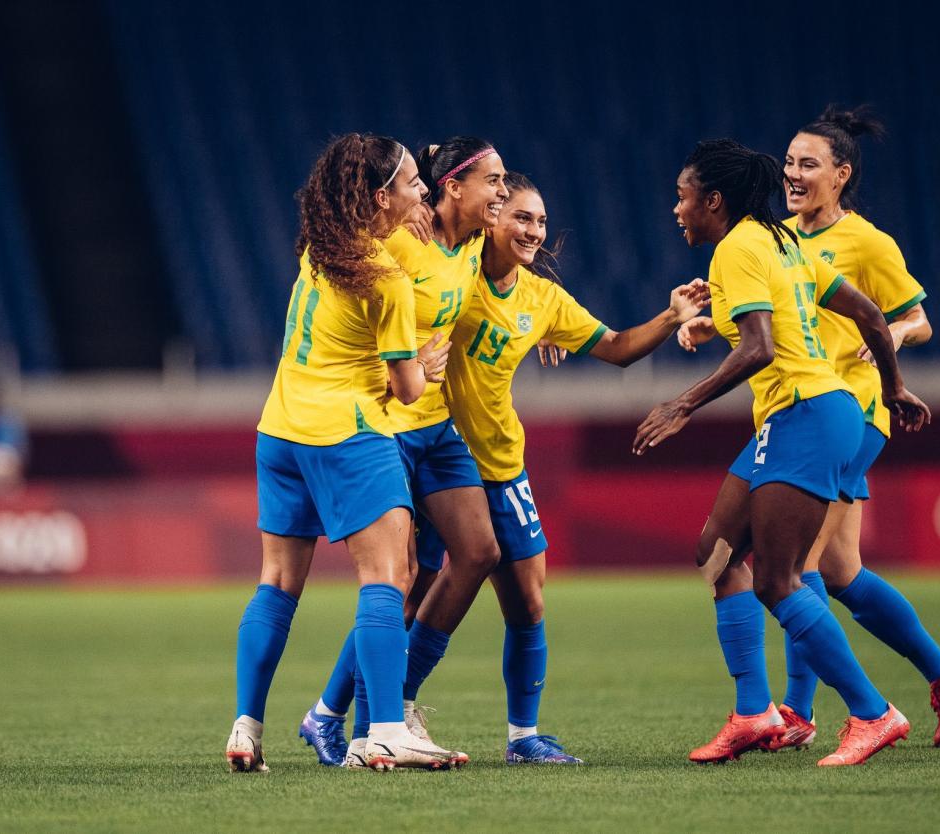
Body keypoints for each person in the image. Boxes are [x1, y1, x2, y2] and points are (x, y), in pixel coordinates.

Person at [678, 107, 940, 751]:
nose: (792, 174)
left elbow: (913, 318)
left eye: (808, 164)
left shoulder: (866, 242)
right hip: (804, 410)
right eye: (788, 162)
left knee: (793, 565)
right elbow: (769, 316)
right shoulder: (777, 237)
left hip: (852, 405)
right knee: (840, 571)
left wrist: (894, 347)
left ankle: (799, 709)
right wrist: (716, 322)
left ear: (841, 176)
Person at [634, 139, 930, 767]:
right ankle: (753, 712)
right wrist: (895, 386)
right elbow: (872, 314)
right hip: (810, 414)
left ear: (713, 201)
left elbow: (760, 347)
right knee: (716, 554)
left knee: (778, 578)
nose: (677, 209)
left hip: (807, 415)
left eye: (683, 197)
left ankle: (874, 714)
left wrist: (681, 404)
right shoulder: (781, 240)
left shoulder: (737, 248)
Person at [411, 171, 710, 764]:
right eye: (521, 216)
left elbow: (619, 347)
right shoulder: (452, 268)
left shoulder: (541, 300)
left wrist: (672, 315)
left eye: (541, 221)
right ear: (490, 216)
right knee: (422, 581)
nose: (533, 229)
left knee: (528, 601)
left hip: (503, 460)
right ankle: (390, 711)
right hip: (441, 455)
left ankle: (523, 737)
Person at [226, 133, 460, 773]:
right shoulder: (386, 281)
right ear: (381, 196)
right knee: (388, 576)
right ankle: (384, 729)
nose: (422, 192)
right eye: (414, 182)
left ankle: (246, 728)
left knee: (276, 583)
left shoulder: (319, 251)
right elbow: (406, 388)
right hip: (348, 432)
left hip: (279, 429)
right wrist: (429, 365)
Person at [301, 137, 508, 768]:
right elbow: (344, 261)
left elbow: (510, 279)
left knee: (477, 552)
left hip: (438, 426)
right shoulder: (398, 240)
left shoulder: (472, 244)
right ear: (452, 187)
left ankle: (375, 706)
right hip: (388, 424)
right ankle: (364, 718)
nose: (501, 192)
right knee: (397, 579)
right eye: (492, 181)